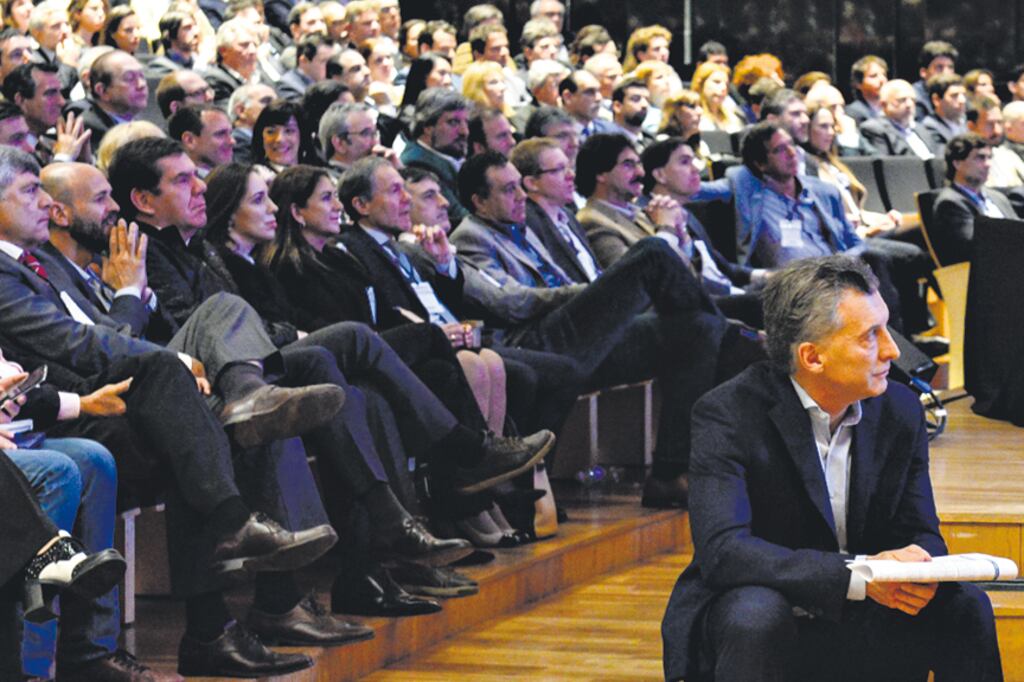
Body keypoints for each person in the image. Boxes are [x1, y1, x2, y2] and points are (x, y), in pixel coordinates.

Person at [661, 254, 1002, 682]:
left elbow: (920, 530)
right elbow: (725, 552)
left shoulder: (899, 410)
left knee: (965, 603)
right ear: (812, 357)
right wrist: (861, 575)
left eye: (887, 329)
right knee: (756, 614)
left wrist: (920, 568)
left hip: (866, 612)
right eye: (870, 337)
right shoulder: (727, 413)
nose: (894, 351)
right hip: (768, 605)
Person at [450, 149, 737, 509]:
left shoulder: (522, 226)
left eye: (520, 187)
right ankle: (738, 337)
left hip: (579, 335)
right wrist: (594, 293)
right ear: (479, 201)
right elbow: (511, 302)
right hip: (538, 340)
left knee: (696, 328)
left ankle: (669, 473)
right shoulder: (470, 238)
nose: (521, 196)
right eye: (508, 190)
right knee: (652, 253)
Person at [930, 132, 1015, 265]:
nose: (988, 164)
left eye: (989, 158)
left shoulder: (998, 198)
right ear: (957, 163)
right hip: (990, 273)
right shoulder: (950, 203)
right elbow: (978, 247)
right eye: (980, 158)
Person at [912, 40, 958, 121]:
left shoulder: (958, 94)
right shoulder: (915, 98)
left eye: (950, 67)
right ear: (923, 72)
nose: (946, 73)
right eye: (939, 67)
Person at [846, 55, 888, 125]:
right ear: (858, 83)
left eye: (884, 75)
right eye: (873, 76)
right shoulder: (854, 112)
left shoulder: (893, 107)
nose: (882, 80)